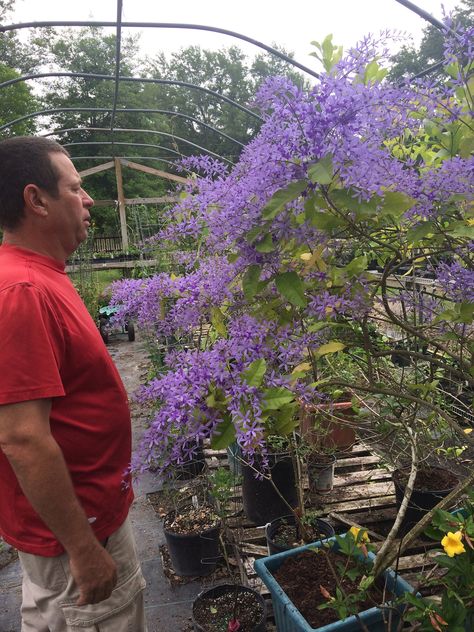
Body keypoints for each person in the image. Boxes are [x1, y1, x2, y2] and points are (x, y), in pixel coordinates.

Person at [0, 136, 147, 631]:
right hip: (76, 541)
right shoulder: (21, 290)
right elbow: (21, 437)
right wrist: (82, 550)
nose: (89, 201)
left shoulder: (43, 275)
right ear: (36, 200)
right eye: (76, 188)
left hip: (84, 526)